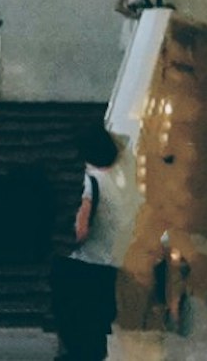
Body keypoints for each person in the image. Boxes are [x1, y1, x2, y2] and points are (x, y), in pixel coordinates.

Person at [51, 125, 125, 361]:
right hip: (110, 268)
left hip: (83, 270)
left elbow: (80, 231)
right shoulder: (121, 180)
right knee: (96, 339)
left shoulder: (90, 182)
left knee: (77, 337)